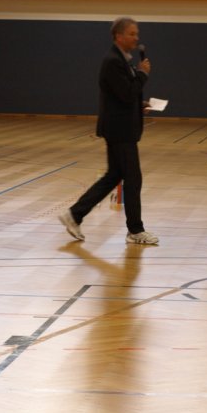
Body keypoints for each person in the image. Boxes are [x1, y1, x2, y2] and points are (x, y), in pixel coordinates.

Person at [59, 17, 159, 245]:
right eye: (132, 34)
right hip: (120, 131)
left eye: (136, 33)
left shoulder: (122, 61)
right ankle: (135, 230)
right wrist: (143, 74)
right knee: (133, 178)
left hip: (120, 128)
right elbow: (127, 93)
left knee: (113, 175)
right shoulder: (113, 61)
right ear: (118, 36)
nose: (136, 38)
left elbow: (124, 95)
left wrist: (139, 105)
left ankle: (74, 214)